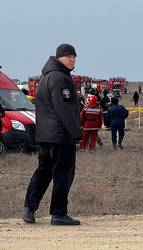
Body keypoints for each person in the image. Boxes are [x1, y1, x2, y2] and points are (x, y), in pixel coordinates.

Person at [23, 44, 81, 225]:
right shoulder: (59, 77)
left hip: (45, 134)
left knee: (43, 171)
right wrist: (75, 132)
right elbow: (62, 107)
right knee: (63, 173)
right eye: (69, 56)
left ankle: (29, 209)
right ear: (59, 58)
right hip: (60, 135)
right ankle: (59, 214)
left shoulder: (46, 76)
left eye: (74, 57)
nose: (73, 60)